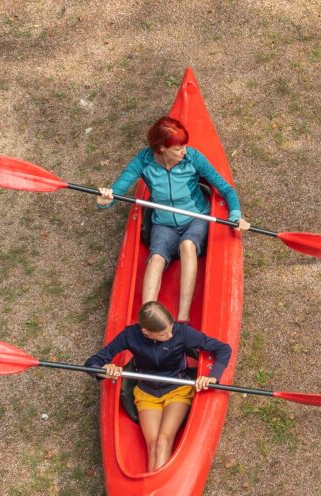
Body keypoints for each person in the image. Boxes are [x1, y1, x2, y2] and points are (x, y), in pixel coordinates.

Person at [97, 116, 250, 323]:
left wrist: (235, 215)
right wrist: (105, 200)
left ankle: (183, 317)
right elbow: (118, 190)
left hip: (195, 217)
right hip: (163, 223)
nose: (184, 151)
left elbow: (226, 189)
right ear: (161, 148)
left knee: (187, 246)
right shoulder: (143, 161)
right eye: (178, 148)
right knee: (156, 258)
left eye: (184, 146)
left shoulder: (193, 158)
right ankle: (147, 318)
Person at [85, 301, 232, 472]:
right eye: (163, 334)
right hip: (146, 392)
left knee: (163, 441)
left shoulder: (181, 332)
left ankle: (159, 484)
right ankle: (152, 483)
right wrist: (105, 370)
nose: (170, 335)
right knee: (153, 445)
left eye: (170, 328)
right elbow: (92, 363)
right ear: (145, 332)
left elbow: (223, 349)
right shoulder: (130, 335)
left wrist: (213, 377)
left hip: (178, 388)